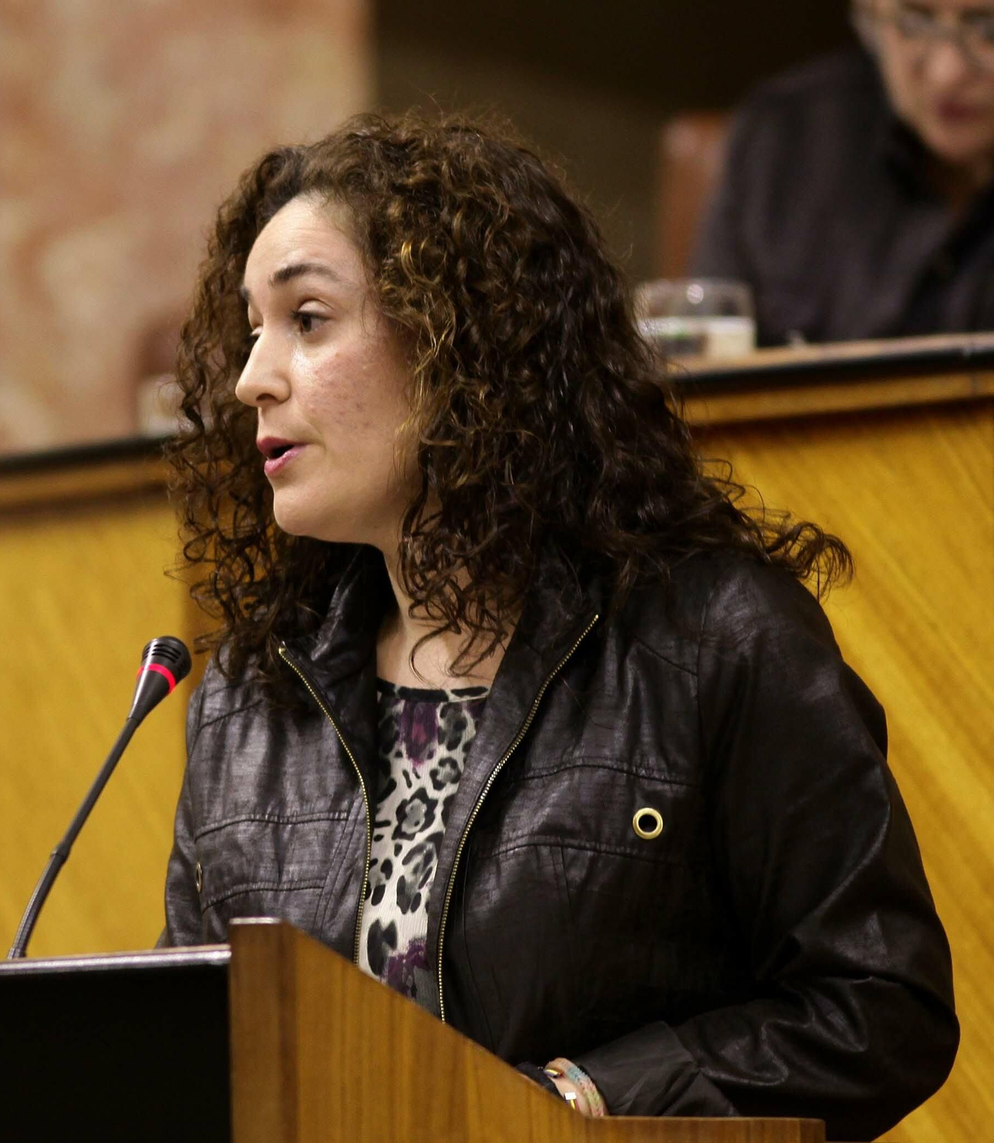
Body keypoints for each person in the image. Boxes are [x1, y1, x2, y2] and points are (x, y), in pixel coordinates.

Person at [158, 111, 958, 1139]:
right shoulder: (250, 693)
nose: (251, 377)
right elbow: (191, 1051)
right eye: (253, 328)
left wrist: (584, 1103)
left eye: (307, 319)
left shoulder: (714, 641)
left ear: (461, 336)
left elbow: (877, 1009)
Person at [694, 1, 994, 344]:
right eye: (914, 21)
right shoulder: (783, 137)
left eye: (987, 28)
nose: (947, 72)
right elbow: (706, 359)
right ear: (870, 15)